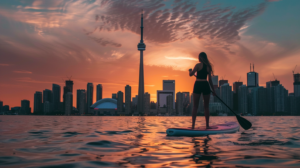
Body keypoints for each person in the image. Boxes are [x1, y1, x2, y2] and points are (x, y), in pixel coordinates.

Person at [189, 52, 215, 129]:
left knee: (195, 106)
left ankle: (193, 126)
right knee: (206, 107)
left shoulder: (197, 65)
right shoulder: (208, 67)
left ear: (200, 58)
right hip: (205, 85)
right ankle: (207, 125)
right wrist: (213, 90)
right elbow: (210, 80)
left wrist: (190, 71)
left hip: (198, 85)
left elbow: (191, 74)